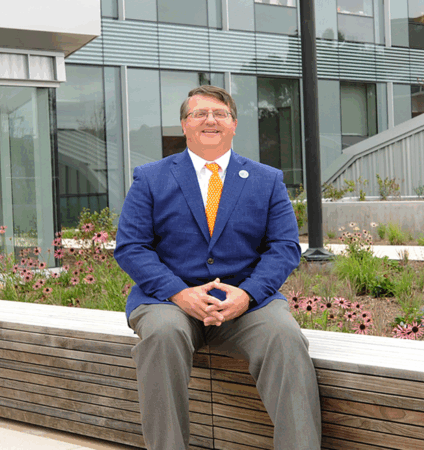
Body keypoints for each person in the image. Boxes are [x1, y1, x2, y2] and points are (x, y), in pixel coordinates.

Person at [114, 85, 321, 450]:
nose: (210, 120)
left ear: (234, 125)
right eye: (199, 114)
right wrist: (179, 293)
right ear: (184, 125)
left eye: (220, 114)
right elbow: (131, 247)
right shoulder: (150, 178)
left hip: (247, 303)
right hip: (169, 302)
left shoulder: (267, 180)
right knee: (162, 335)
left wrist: (248, 294)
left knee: (285, 337)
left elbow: (285, 247)